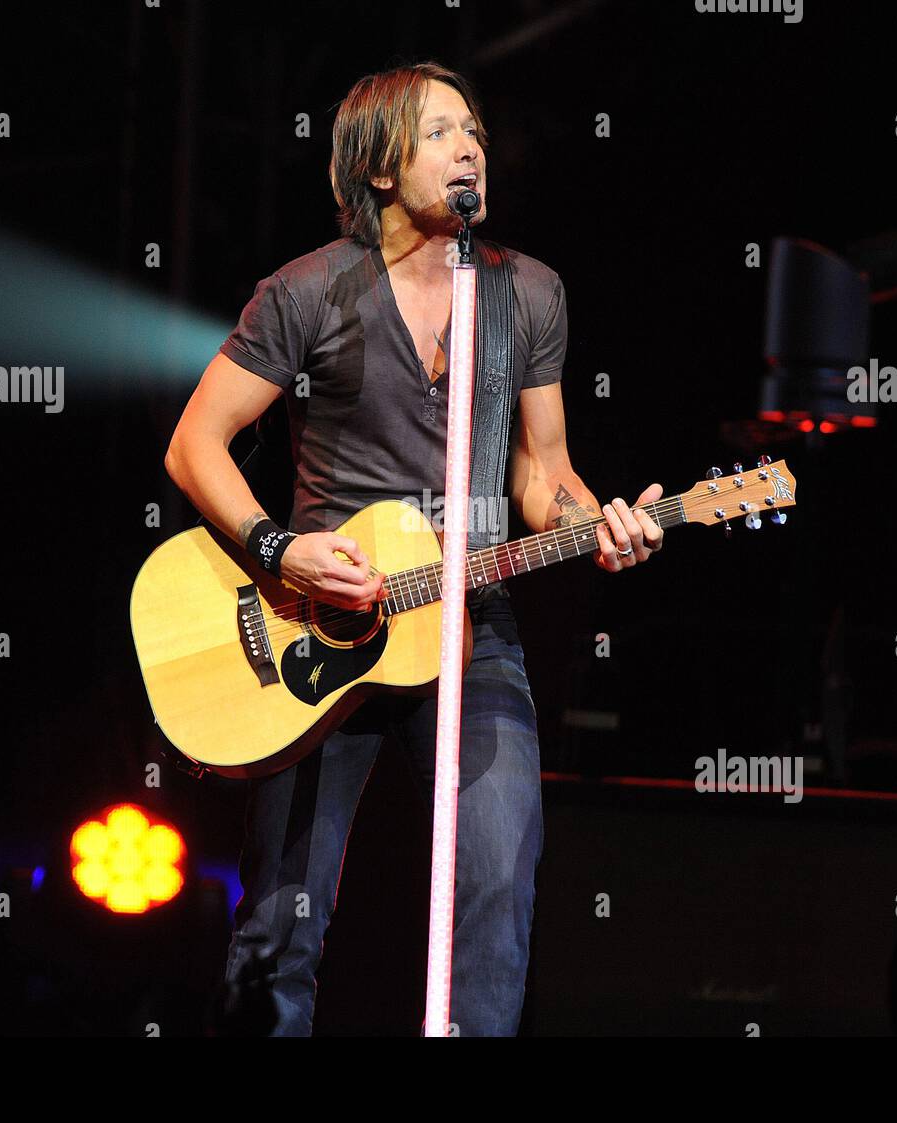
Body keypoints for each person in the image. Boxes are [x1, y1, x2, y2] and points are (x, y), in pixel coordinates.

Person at [164, 60, 663, 1036]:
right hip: (315, 632)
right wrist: (279, 549)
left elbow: (542, 479)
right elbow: (195, 444)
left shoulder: (529, 294)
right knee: (279, 926)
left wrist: (596, 520)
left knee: (497, 882)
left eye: (473, 128)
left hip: (468, 629)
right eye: (438, 131)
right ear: (379, 169)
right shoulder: (307, 291)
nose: (468, 142)